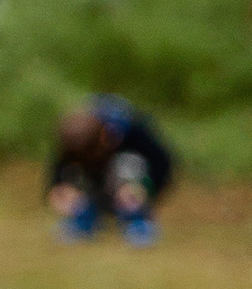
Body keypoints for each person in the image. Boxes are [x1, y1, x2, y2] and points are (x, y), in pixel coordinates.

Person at [48, 92, 173, 243]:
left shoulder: (132, 130)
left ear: (104, 137)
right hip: (95, 187)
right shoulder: (76, 137)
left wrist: (146, 187)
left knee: (127, 164)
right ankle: (84, 220)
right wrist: (58, 190)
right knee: (73, 173)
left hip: (125, 184)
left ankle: (137, 221)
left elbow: (163, 162)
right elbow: (59, 166)